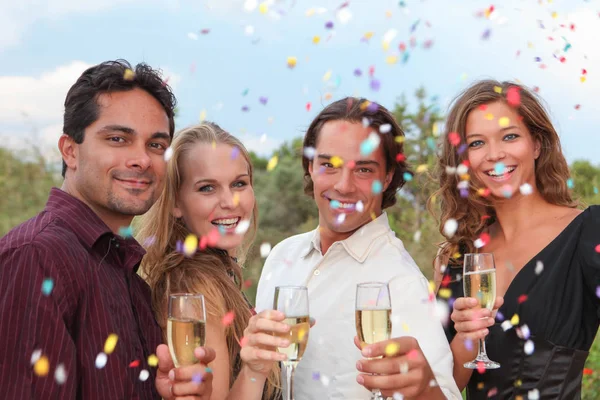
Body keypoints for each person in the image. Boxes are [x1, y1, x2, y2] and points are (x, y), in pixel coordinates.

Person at [0, 60, 214, 399]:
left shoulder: (127, 273)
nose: (142, 160)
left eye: (156, 145)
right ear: (70, 151)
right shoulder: (37, 257)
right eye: (118, 138)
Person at [248, 97, 461, 399]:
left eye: (363, 170)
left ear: (387, 177)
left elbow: (447, 394)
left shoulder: (400, 282)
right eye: (328, 165)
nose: (344, 186)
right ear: (310, 166)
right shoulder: (281, 257)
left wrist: (425, 387)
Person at [432, 79, 600, 399]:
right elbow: (444, 388)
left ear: (536, 145)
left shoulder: (589, 232)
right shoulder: (457, 258)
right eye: (477, 143)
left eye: (510, 136)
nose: (495, 154)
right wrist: (466, 337)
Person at [137, 122, 281, 400]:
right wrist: (255, 369)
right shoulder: (195, 284)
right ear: (176, 203)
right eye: (207, 188)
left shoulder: (212, 272)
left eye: (239, 183)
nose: (230, 201)